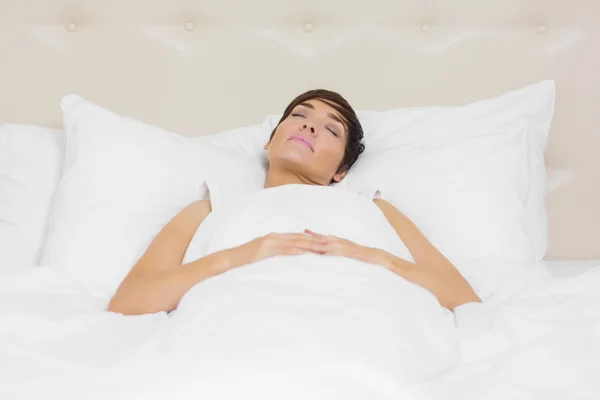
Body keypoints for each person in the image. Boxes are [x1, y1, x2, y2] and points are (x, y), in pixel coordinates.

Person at [107, 90, 481, 316]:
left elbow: (463, 298)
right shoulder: (213, 206)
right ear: (270, 141)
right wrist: (243, 254)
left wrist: (369, 256)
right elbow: (128, 302)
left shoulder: (372, 207)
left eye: (331, 128)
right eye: (299, 115)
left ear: (342, 170)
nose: (309, 125)